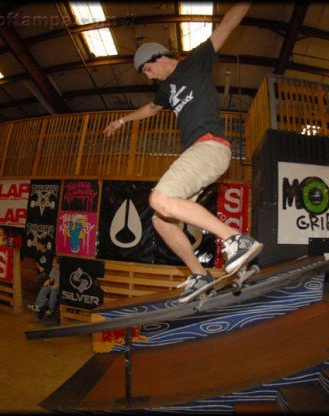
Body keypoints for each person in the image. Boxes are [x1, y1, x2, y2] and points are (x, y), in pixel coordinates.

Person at [104, 2, 262, 303]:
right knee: (161, 219)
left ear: (159, 56)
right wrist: (123, 119)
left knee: (159, 198)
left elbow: (227, 26)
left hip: (211, 145)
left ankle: (235, 239)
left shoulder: (197, 60)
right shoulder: (165, 89)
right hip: (197, 154)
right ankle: (200, 275)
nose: (151, 77)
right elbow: (151, 108)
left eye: (150, 69)